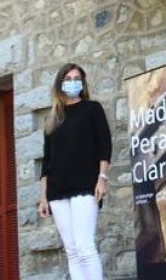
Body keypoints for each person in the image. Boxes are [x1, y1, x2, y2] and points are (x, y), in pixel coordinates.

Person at [39, 63, 111, 280]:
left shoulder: (93, 109)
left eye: (77, 78)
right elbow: (47, 161)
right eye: (68, 79)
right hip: (57, 190)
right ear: (60, 84)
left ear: (83, 82)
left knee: (84, 246)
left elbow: (104, 147)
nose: (73, 82)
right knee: (71, 250)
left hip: (85, 186)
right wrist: (43, 197)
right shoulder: (52, 118)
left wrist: (102, 178)